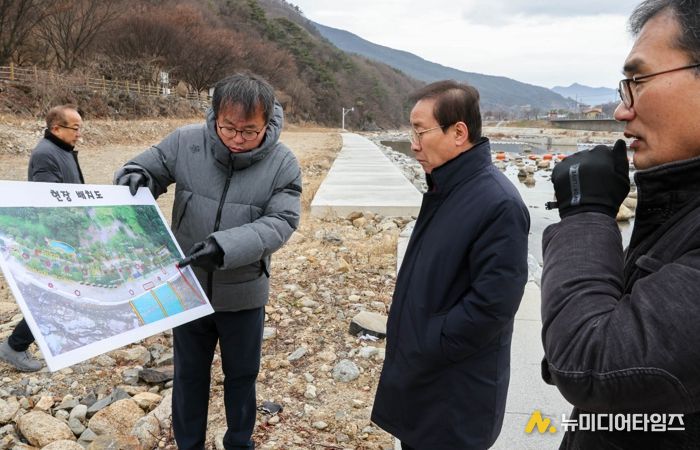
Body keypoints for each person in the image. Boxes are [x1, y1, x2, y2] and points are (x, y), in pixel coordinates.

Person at [540, 0, 700, 447]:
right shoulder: (681, 206)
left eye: (638, 82)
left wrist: (586, 214)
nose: (621, 110)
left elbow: (592, 361)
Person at [114, 73, 301, 450]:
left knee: (242, 376)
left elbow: (281, 222)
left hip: (243, 293)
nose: (237, 139)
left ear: (268, 123)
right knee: (189, 377)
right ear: (214, 115)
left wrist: (224, 247)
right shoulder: (185, 142)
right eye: (228, 127)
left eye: (249, 131)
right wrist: (134, 176)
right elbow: (148, 166)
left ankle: (239, 442)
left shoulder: (283, 163)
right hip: (187, 287)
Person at [371, 80, 530, 449]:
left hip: (455, 396)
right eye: (412, 132)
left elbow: (493, 306)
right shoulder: (446, 188)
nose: (414, 144)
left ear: (459, 132)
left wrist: (428, 341)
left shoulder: (498, 203)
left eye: (420, 131)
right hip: (425, 380)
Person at [0, 104, 84, 372]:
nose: (79, 134)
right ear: (56, 128)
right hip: (56, 238)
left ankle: (34, 340)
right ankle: (15, 345)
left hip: (67, 235)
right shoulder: (46, 154)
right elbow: (48, 202)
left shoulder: (63, 151)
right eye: (75, 128)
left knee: (56, 292)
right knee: (50, 294)